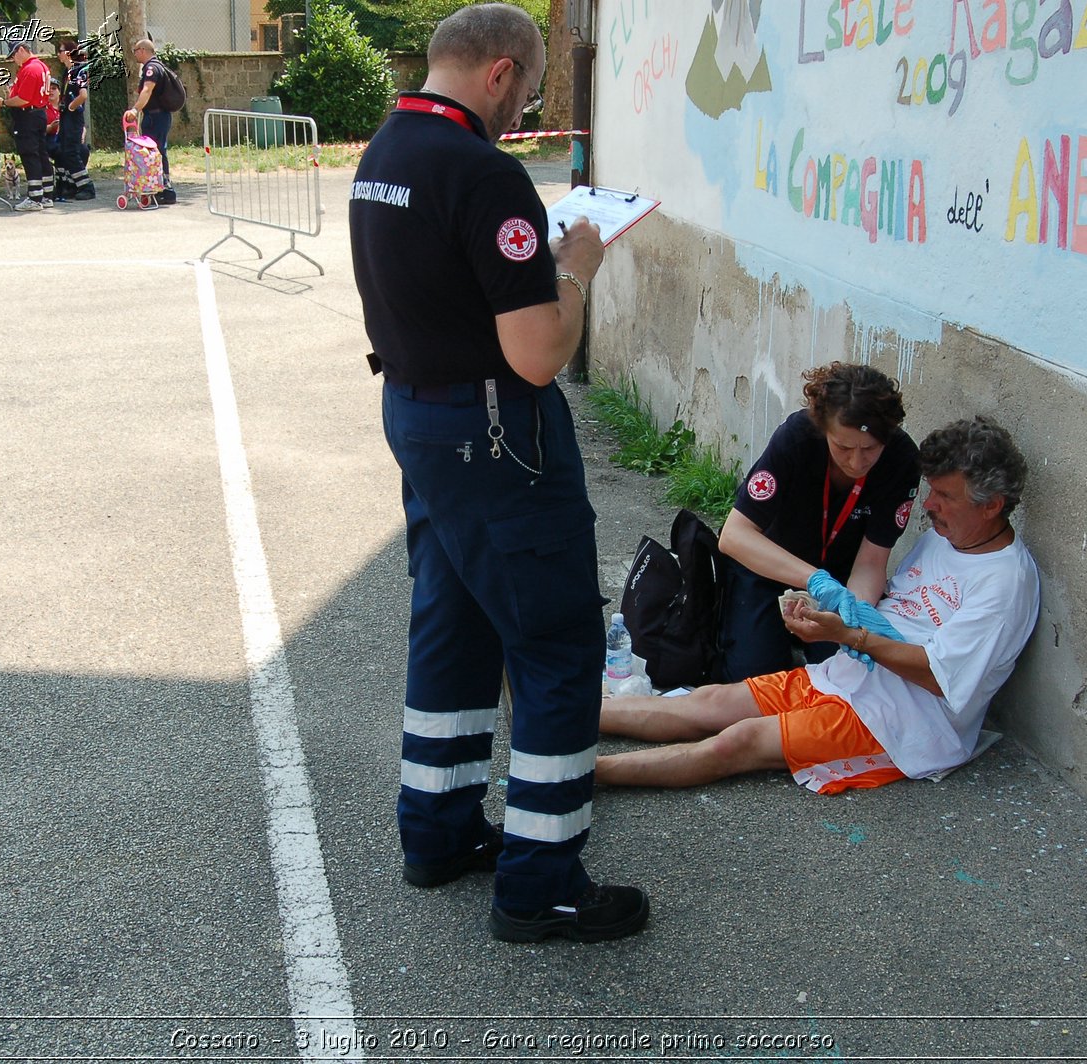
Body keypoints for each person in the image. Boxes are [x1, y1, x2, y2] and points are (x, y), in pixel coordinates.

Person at [347, 2, 648, 944]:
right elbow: (536, 356)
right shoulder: (486, 173)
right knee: (558, 647)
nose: (526, 106)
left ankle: (436, 831)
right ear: (502, 73)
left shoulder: (383, 152)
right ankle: (542, 882)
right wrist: (579, 268)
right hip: (497, 433)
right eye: (530, 83)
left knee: (457, 619)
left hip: (420, 417)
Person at [598, 416, 1040, 795]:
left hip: (904, 723)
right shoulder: (949, 537)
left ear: (992, 506)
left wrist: (848, 635)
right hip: (853, 678)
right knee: (711, 702)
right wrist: (830, 613)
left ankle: (585, 775)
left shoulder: (1004, 584)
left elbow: (937, 677)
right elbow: (891, 611)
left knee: (738, 742)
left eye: (945, 496)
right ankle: (562, 715)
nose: (929, 504)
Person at [715, 362, 920, 682]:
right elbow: (734, 536)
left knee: (843, 675)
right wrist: (815, 580)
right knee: (754, 677)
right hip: (769, 568)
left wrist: (853, 614)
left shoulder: (902, 459)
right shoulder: (796, 436)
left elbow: (871, 561)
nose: (857, 461)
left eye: (870, 449)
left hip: (842, 583)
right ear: (823, 428)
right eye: (843, 447)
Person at [4, 40, 55, 210]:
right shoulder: (41, 66)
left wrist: (5, 102)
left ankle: (34, 197)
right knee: (41, 153)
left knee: (29, 154)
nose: (13, 60)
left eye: (13, 56)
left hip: (28, 115)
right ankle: (46, 195)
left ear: (21, 50)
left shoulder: (30, 69)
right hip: (39, 113)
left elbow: (23, 99)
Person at [123, 39, 175, 205]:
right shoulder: (154, 66)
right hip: (156, 116)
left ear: (143, 50)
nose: (135, 53)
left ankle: (165, 190)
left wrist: (134, 110)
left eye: (136, 50)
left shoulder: (152, 68)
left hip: (156, 117)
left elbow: (147, 90)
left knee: (155, 151)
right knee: (157, 151)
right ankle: (159, 188)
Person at [55, 42, 96, 201]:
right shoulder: (68, 71)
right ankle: (70, 185)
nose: (58, 54)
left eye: (60, 50)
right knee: (64, 150)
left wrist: (71, 107)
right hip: (66, 117)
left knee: (72, 151)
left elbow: (83, 95)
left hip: (73, 118)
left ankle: (86, 186)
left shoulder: (79, 70)